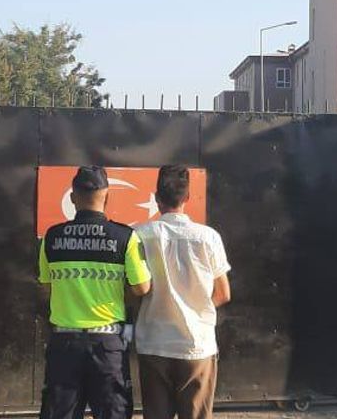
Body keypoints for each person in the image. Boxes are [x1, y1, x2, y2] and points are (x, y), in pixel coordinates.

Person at [39, 165, 152, 419]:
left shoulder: (51, 237)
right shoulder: (126, 237)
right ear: (107, 196)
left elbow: (47, 287)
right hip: (107, 345)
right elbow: (142, 287)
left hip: (64, 344)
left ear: (72, 198)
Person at [135, 165, 232, 419]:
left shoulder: (139, 235)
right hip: (196, 345)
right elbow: (223, 293)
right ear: (188, 197)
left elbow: (134, 288)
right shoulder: (208, 237)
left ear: (157, 198)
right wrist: (194, 310)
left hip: (154, 343)